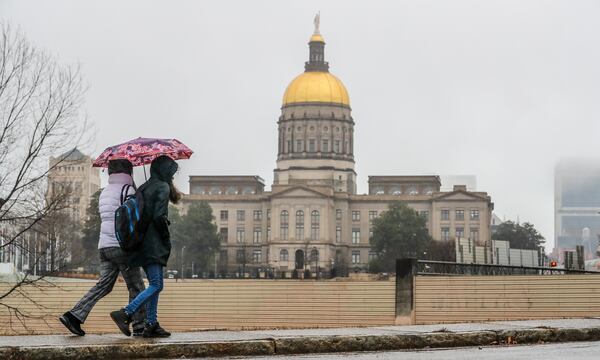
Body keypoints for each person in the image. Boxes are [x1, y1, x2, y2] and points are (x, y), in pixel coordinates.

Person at [59, 159, 146, 336]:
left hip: (104, 246)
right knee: (136, 287)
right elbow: (134, 217)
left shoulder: (105, 191)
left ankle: (74, 316)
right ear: (128, 171)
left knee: (104, 285)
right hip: (121, 246)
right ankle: (139, 326)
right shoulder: (127, 190)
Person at [110, 155, 180, 338]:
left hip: (141, 244)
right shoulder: (163, 187)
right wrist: (166, 235)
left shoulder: (144, 187)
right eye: (171, 172)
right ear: (165, 171)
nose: (173, 177)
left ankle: (151, 325)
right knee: (156, 285)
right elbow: (158, 217)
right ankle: (125, 313)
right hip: (153, 244)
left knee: (154, 285)